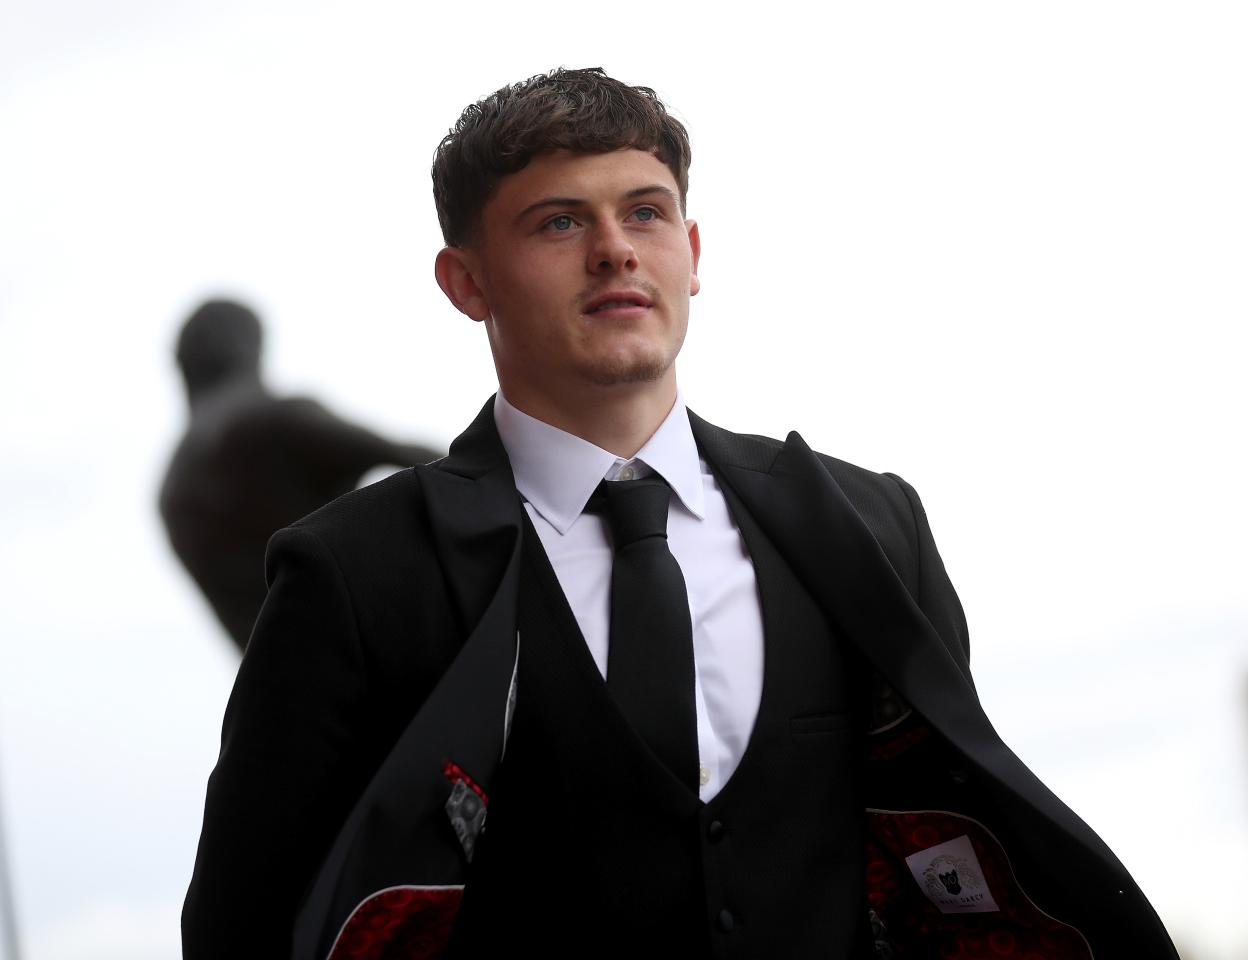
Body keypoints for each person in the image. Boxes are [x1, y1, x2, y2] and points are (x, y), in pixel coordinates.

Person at [183, 69, 1178, 958]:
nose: (614, 250)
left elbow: (950, 866)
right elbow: (245, 925)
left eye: (645, 213)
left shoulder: (867, 527)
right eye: (559, 222)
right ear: (466, 282)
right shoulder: (354, 574)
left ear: (691, 252)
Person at [160, 299, 441, 652]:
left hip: (283, 693)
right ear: (243, 350)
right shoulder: (275, 421)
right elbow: (424, 462)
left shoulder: (171, 492)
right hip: (388, 666)